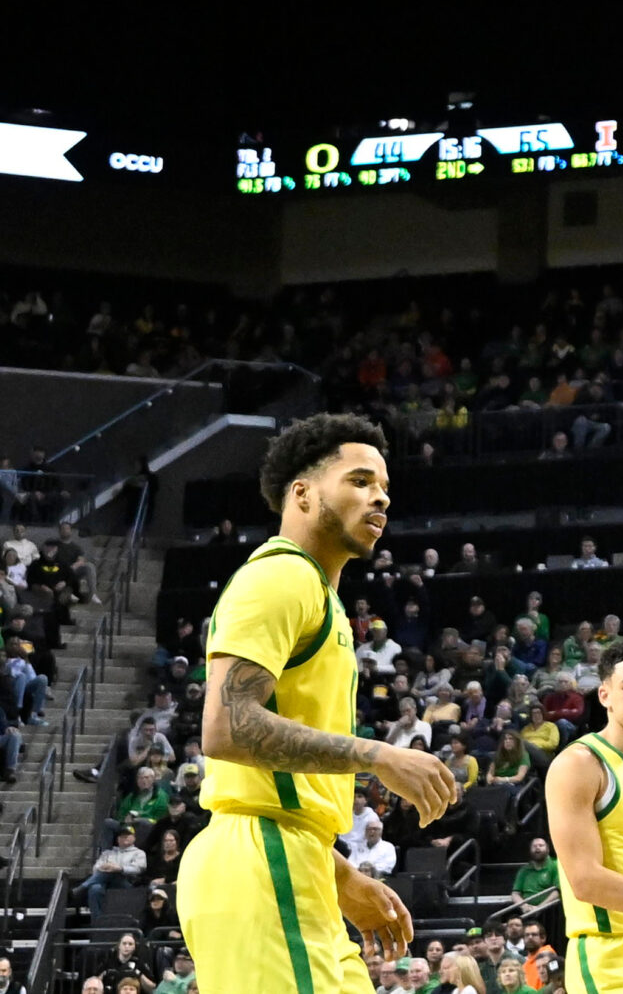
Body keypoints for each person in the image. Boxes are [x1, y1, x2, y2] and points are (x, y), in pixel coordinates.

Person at [185, 416, 459, 994]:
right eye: (359, 481)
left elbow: (279, 784)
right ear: (303, 493)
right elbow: (225, 727)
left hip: (298, 858)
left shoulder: (322, 597)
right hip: (262, 860)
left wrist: (337, 874)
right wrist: (377, 756)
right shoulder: (282, 576)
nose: (380, 496)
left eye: (384, 487)